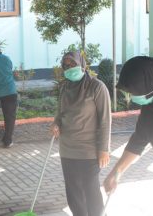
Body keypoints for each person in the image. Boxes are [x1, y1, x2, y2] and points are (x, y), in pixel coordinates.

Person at [103, 56, 153, 215]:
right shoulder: (150, 106)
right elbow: (138, 141)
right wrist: (116, 173)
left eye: (132, 91)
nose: (130, 96)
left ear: (148, 85)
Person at [51, 51, 111, 216]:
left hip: (89, 150)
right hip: (67, 149)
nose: (69, 68)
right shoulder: (65, 87)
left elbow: (105, 120)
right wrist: (56, 123)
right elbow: (60, 113)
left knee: (91, 191)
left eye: (73, 64)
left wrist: (104, 149)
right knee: (73, 193)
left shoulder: (97, 87)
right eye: (66, 65)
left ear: (82, 65)